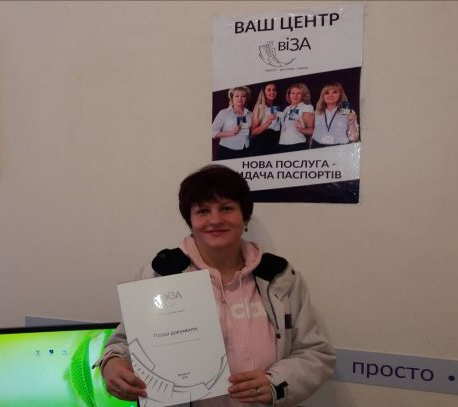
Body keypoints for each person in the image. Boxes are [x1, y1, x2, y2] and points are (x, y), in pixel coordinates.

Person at [98, 165, 336, 407]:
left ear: (245, 217)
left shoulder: (280, 277)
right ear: (190, 221)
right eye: (203, 211)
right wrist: (112, 363)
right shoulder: (160, 274)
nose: (215, 220)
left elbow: (315, 352)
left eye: (226, 208)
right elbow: (123, 344)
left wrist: (276, 383)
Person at [310, 82, 360, 148]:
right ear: (323, 96)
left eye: (335, 92)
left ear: (340, 95)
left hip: (339, 148)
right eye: (327, 93)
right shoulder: (317, 112)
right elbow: (313, 133)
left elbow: (353, 138)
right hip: (317, 146)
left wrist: (352, 123)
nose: (330, 95)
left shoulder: (347, 111)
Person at [212, 87, 252, 160]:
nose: (240, 98)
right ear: (231, 98)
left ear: (246, 98)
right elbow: (212, 132)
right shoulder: (224, 113)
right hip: (227, 151)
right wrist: (231, 132)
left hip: (246, 151)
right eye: (237, 96)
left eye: (243, 96)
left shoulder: (250, 114)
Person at [277, 83, 314, 153]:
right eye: (293, 93)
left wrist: (301, 130)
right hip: (283, 144)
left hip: (298, 145)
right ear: (289, 95)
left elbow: (312, 130)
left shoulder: (307, 107)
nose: (295, 96)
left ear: (303, 95)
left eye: (298, 93)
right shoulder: (287, 108)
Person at [250, 83, 281, 156]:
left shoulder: (277, 108)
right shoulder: (260, 108)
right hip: (262, 143)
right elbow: (253, 132)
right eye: (269, 90)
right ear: (264, 92)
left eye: (274, 90)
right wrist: (267, 123)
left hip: (275, 142)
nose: (272, 92)